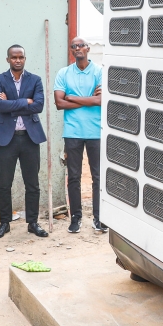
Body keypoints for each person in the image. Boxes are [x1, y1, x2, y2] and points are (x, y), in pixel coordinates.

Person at [0, 45, 47, 239]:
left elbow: (38, 105)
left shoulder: (35, 80)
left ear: (25, 58)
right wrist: (26, 102)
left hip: (30, 139)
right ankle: (4, 223)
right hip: (7, 139)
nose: (17, 60)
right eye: (14, 57)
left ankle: (32, 222)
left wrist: (12, 105)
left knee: (32, 183)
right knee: (4, 183)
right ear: (8, 59)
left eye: (21, 57)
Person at [54, 37, 107, 234]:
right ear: (72, 51)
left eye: (81, 45)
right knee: (74, 177)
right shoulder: (64, 73)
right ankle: (75, 218)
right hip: (73, 131)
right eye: (74, 46)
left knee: (98, 176)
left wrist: (73, 97)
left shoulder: (100, 72)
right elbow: (59, 103)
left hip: (96, 131)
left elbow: (102, 101)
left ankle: (99, 218)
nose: (78, 48)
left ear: (88, 48)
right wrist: (90, 99)